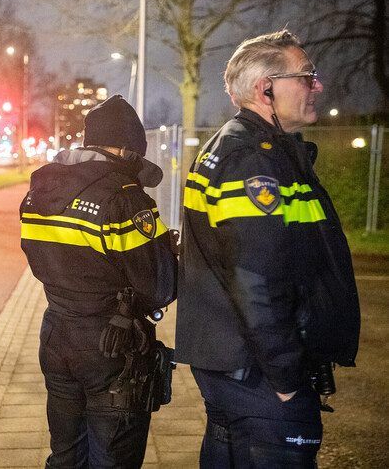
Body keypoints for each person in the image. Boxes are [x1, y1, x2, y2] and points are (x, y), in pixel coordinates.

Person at [175, 30, 361, 467]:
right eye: (306, 76)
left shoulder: (257, 148)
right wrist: (286, 377)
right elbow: (255, 275)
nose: (317, 86)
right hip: (259, 377)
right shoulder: (252, 159)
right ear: (266, 89)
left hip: (243, 371)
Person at [20, 95, 178, 468]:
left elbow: (35, 255)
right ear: (125, 148)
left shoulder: (39, 191)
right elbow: (159, 287)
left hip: (56, 334)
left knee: (66, 456)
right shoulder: (125, 199)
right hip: (111, 347)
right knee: (111, 459)